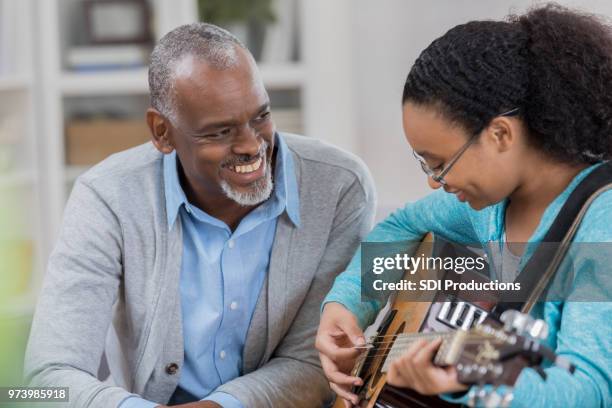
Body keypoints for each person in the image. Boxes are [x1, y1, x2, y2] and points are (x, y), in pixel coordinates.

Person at [25, 23, 376, 408]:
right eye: (220, 132)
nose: (251, 146)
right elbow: (47, 379)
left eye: (260, 116)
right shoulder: (107, 196)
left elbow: (317, 361)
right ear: (162, 132)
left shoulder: (341, 186)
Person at [316, 4, 612, 407]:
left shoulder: (601, 226)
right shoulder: (489, 206)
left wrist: (468, 373)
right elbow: (404, 225)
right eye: (424, 165)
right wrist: (348, 301)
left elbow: (591, 391)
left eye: (441, 164)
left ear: (501, 135)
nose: (433, 182)